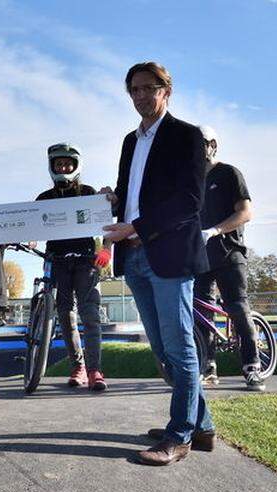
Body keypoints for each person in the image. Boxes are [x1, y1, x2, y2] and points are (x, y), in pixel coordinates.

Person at [101, 61, 214, 467]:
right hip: (133, 255)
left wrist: (137, 226)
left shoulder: (188, 137)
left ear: (167, 91)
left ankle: (179, 436)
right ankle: (203, 426)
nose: (141, 96)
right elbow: (135, 193)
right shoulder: (130, 141)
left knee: (180, 347)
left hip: (168, 255)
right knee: (164, 351)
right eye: (134, 89)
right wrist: (114, 200)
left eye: (149, 88)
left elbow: (189, 202)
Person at [35, 143, 112, 391]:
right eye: (59, 164)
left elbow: (107, 221)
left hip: (86, 261)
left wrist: (106, 248)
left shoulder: (89, 192)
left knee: (90, 316)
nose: (63, 167)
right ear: (52, 167)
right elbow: (29, 222)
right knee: (65, 316)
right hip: (57, 262)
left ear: (76, 166)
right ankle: (77, 365)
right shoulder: (43, 199)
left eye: (68, 163)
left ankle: (94, 370)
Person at [194, 126, 261, 390]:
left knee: (236, 307)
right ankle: (208, 365)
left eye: (199, 145)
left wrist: (215, 230)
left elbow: (246, 212)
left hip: (229, 252)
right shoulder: (192, 182)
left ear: (212, 145)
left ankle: (252, 365)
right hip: (200, 257)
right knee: (200, 312)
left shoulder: (229, 173)